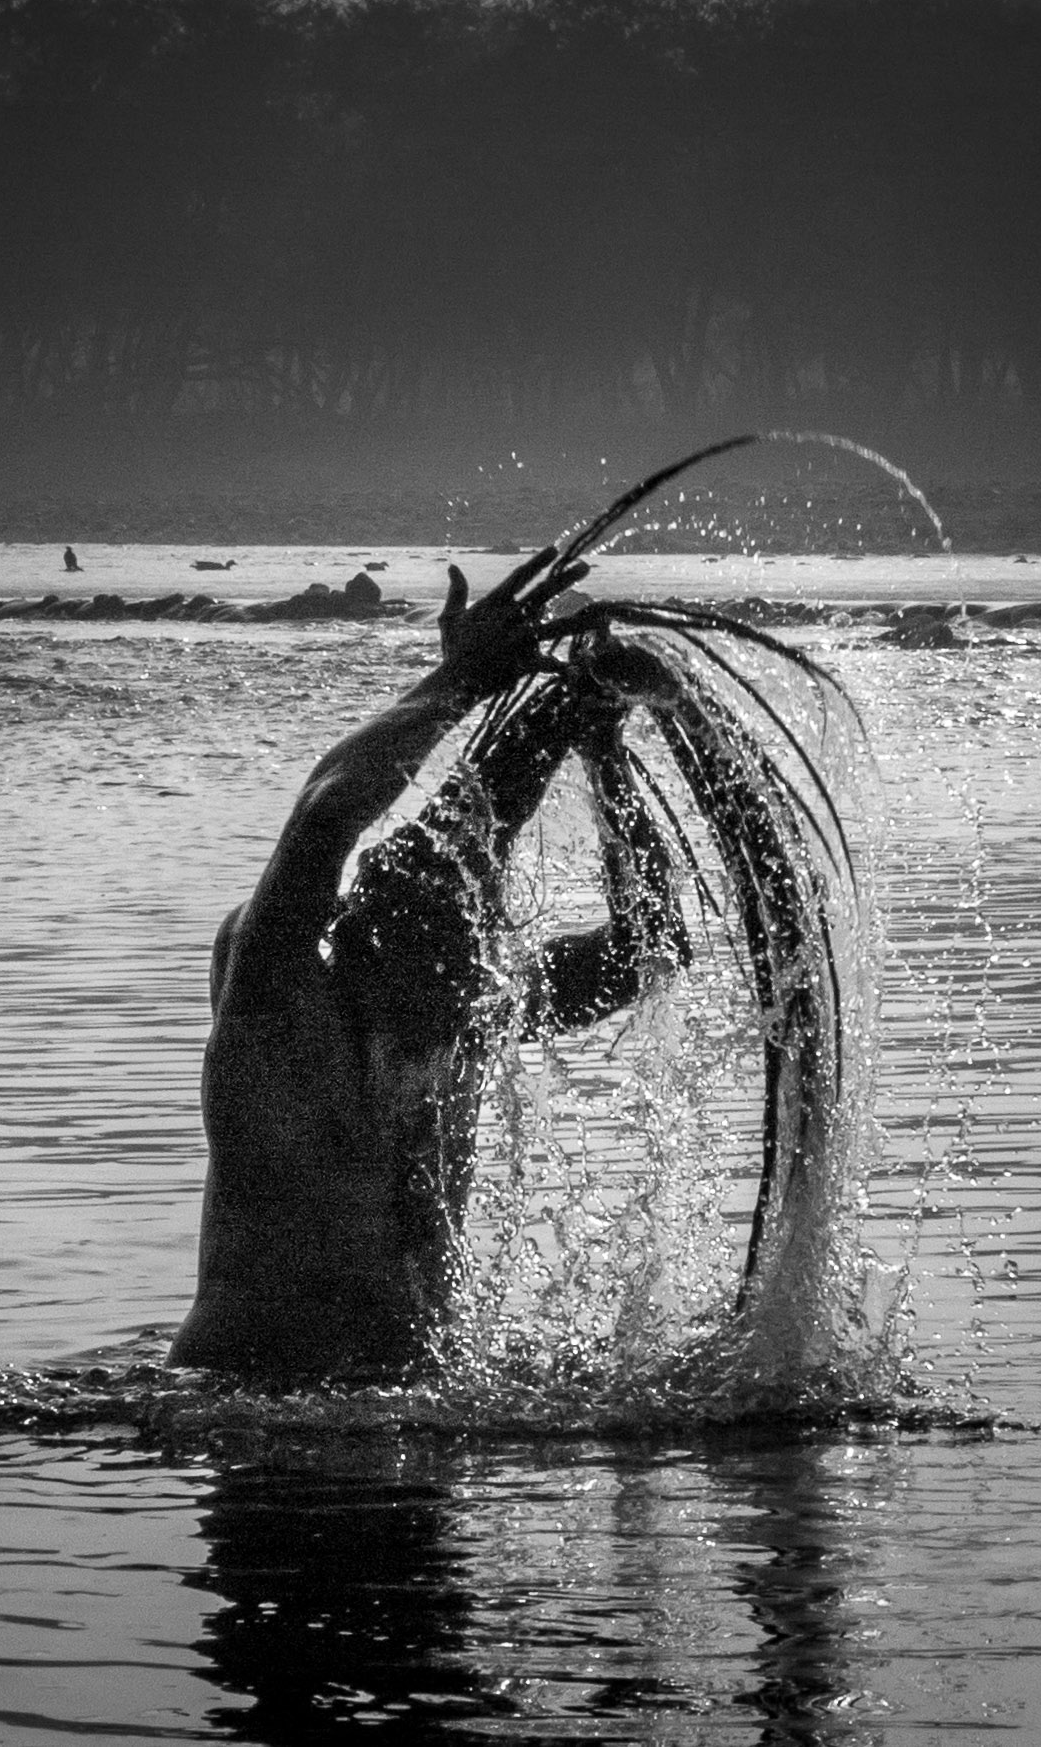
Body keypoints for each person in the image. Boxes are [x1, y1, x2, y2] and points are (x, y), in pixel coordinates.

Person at [168, 556, 691, 1381]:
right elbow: (330, 807)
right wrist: (458, 681)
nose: (469, 954)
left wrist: (600, 755)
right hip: (255, 1386)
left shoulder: (472, 1004)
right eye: (440, 932)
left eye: (475, 935)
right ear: (353, 929)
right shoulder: (275, 1008)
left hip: (408, 1401)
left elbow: (651, 942)